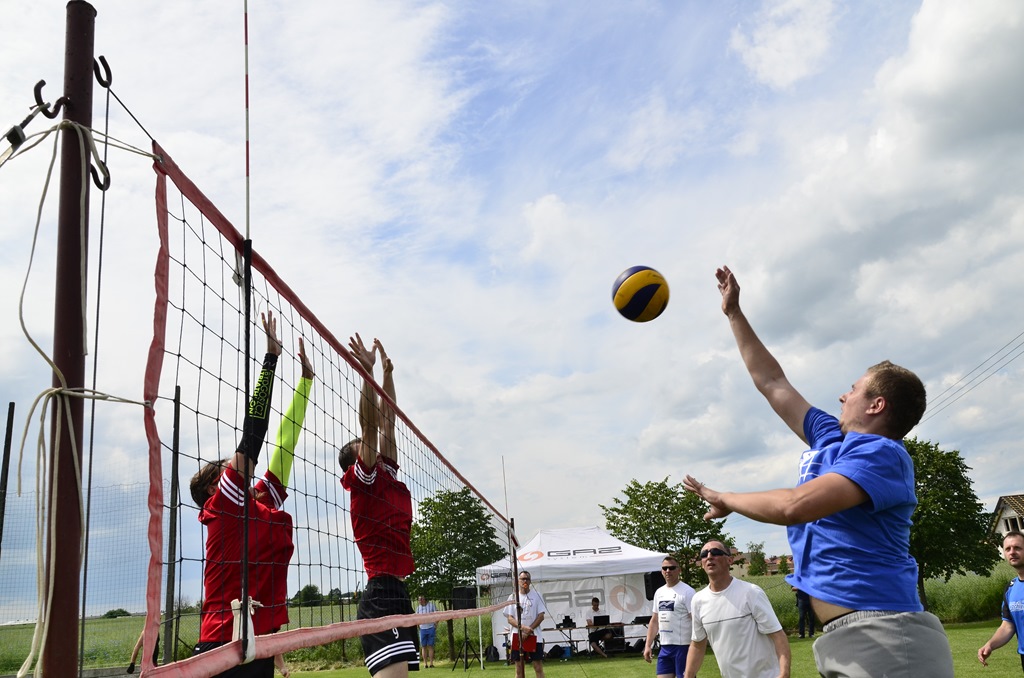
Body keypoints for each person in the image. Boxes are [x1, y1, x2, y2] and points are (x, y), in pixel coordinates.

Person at [682, 265, 954, 678]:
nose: (843, 395)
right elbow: (772, 381)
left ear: (876, 405)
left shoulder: (884, 455)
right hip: (845, 638)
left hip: (885, 633)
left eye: (854, 389)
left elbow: (796, 506)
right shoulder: (832, 439)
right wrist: (734, 313)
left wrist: (726, 499)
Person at [190, 311, 314, 677]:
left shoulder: (255, 504)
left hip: (256, 646)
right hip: (222, 645)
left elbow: (284, 446)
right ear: (216, 486)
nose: (230, 460)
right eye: (222, 465)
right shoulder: (223, 506)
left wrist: (305, 384)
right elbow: (253, 435)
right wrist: (271, 358)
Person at [338, 334, 419, 677]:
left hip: (397, 590)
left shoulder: (385, 472)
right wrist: (367, 373)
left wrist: (387, 376)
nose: (371, 447)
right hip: (381, 595)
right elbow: (370, 426)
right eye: (364, 447)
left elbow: (388, 422)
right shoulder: (364, 480)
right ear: (356, 458)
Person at [684, 541, 789, 678]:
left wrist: (784, 673)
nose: (709, 556)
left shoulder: (751, 593)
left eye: (715, 552)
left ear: (730, 560)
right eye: (704, 554)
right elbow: (697, 645)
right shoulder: (698, 600)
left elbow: (778, 636)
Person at [978, 530, 1024, 672]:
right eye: (1008, 549)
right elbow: (1007, 626)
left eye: (1017, 548)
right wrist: (990, 644)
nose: (1012, 552)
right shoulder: (1010, 589)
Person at [643, 555, 695, 678]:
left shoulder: (688, 592)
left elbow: (696, 620)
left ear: (679, 570)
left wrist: (696, 646)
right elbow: (654, 621)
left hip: (683, 647)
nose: (668, 571)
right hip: (665, 647)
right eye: (665, 568)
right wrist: (647, 646)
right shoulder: (659, 592)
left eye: (671, 568)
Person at [504, 570, 547, 678]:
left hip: (534, 636)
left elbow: (541, 616)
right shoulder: (513, 597)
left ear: (530, 581)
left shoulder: (537, 595)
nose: (525, 581)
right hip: (517, 636)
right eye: (522, 578)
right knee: (519, 668)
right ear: (518, 581)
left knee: (538, 667)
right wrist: (523, 628)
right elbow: (510, 618)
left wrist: (529, 630)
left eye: (527, 579)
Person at [416, 595, 439, 668]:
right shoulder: (418, 608)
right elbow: (416, 618)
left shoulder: (431, 605)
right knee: (423, 646)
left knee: (430, 646)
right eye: (418, 600)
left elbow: (437, 614)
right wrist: (418, 626)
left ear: (424, 599)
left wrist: (436, 624)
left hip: (431, 628)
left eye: (420, 599)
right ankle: (425, 664)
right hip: (422, 629)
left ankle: (431, 663)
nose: (419, 601)